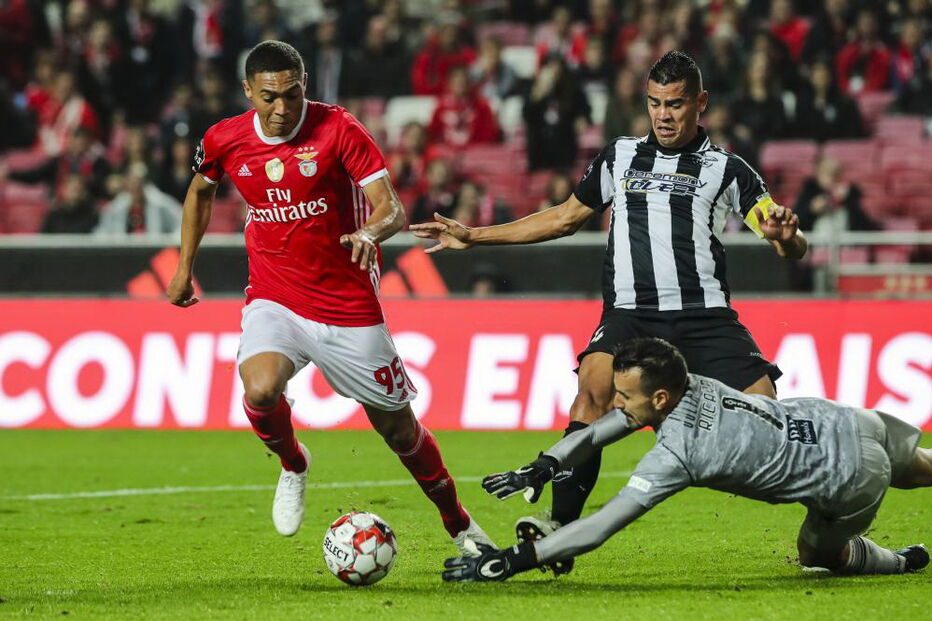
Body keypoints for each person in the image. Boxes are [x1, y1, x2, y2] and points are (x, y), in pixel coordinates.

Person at [412, 50, 807, 574]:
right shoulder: (619, 156)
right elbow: (565, 217)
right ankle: (558, 526)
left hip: (705, 317)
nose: (663, 115)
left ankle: (831, 528)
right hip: (630, 315)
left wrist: (786, 238)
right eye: (654, 103)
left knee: (769, 420)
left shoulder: (728, 170)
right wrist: (475, 235)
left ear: (701, 103)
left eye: (676, 104)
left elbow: (784, 239)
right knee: (594, 390)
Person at [165, 40, 493, 555]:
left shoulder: (340, 129)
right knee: (260, 389)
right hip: (274, 296)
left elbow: (392, 209)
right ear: (248, 91)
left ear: (305, 87)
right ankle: (295, 464)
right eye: (269, 97)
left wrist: (370, 234)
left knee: (397, 429)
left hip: (347, 303)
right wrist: (185, 267)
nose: (281, 108)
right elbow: (200, 191)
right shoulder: (224, 138)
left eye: (292, 95)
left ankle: (459, 523)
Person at [441, 337, 930, 582]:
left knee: (817, 556)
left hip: (852, 478)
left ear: (658, 399)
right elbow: (613, 426)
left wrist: (514, 560)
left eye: (623, 395)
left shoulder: (679, 454)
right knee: (921, 469)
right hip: (848, 422)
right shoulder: (688, 380)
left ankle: (900, 562)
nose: (614, 403)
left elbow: (600, 526)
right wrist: (547, 462)